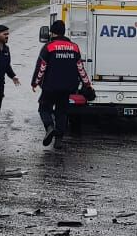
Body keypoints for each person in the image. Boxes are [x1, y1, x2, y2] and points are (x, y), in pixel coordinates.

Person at [34, 18, 93, 148]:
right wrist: (87, 84)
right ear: (63, 32)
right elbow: (80, 68)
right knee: (62, 112)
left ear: (52, 32)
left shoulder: (49, 47)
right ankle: (59, 140)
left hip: (50, 86)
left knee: (44, 108)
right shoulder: (74, 47)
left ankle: (49, 127)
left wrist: (35, 82)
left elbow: (41, 67)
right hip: (67, 88)